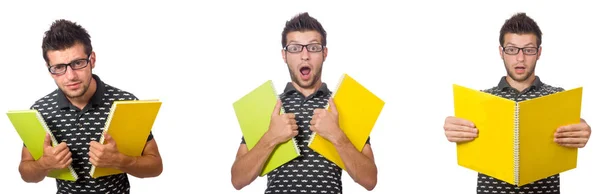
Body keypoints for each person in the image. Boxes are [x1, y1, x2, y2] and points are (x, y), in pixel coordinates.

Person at [443, 12, 592, 194]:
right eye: (512, 49)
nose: (520, 58)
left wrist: (583, 128)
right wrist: (452, 128)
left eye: (528, 50)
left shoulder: (557, 97)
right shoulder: (480, 100)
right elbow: (459, 130)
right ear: (501, 52)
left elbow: (577, 127)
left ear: (539, 53)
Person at [230, 12, 378, 193]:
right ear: (284, 55)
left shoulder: (342, 104)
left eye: (313, 47)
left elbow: (370, 180)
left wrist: (337, 136)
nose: (305, 56)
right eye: (295, 48)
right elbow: (237, 180)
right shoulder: (268, 106)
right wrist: (271, 137)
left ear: (324, 53)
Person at [18, 19, 163, 194]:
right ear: (49, 68)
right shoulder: (40, 110)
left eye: (78, 63)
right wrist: (44, 164)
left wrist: (121, 161)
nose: (70, 76)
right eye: (59, 67)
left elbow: (155, 166)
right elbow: (26, 173)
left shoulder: (126, 103)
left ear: (92, 59)